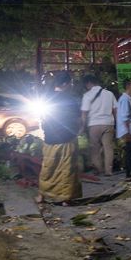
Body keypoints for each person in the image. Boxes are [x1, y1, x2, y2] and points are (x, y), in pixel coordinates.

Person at [36, 71, 82, 205]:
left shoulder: (46, 99)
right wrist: (79, 130)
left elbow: (43, 119)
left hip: (49, 139)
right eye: (71, 83)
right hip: (67, 139)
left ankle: (42, 196)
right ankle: (65, 199)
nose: (72, 85)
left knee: (48, 168)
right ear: (65, 84)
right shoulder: (70, 100)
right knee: (66, 170)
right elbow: (78, 120)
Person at [80, 74, 117, 176]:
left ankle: (99, 169)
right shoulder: (109, 94)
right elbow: (115, 110)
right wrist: (116, 123)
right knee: (108, 147)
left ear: (88, 83)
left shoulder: (87, 95)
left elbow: (84, 113)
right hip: (108, 123)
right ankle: (108, 171)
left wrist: (83, 126)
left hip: (94, 125)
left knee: (94, 148)